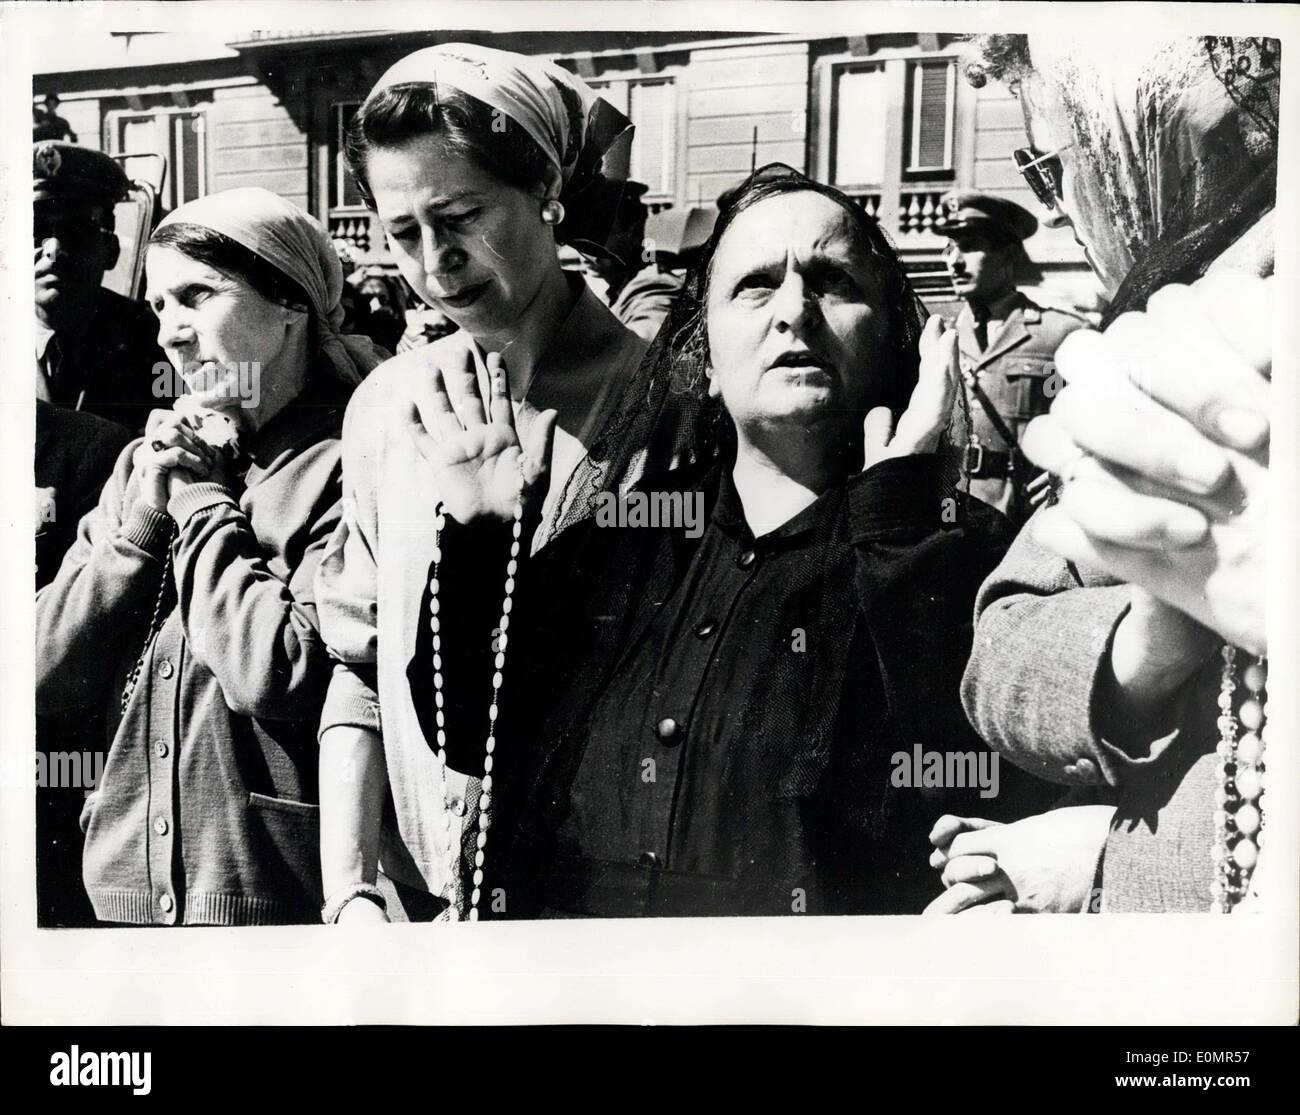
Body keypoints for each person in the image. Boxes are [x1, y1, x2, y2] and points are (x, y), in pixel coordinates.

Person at [405, 165, 1053, 919]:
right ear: (706, 358)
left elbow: (980, 781)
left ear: (890, 340)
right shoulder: (632, 531)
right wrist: (482, 546)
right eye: (755, 286)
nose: (794, 313)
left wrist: (900, 527)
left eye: (832, 280)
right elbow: (467, 732)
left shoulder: (958, 550)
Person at [314, 43, 705, 924]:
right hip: (415, 915)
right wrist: (350, 894)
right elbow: (361, 667)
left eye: (460, 216)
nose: (435, 263)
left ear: (546, 194)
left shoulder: (671, 404)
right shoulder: (386, 407)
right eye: (401, 233)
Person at [928, 33, 1276, 914]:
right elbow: (1005, 648)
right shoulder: (1149, 325)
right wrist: (1152, 629)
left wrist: (1115, 865)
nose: (1058, 208)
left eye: (1054, 166)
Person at [35, 187, 384, 926]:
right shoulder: (146, 463)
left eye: (197, 295)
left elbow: (281, 671)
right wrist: (140, 528)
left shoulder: (350, 461)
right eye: (159, 306)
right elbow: (36, 671)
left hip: (268, 895)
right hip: (121, 892)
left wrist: (198, 504)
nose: (172, 334)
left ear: (291, 304)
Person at [934, 190, 1088, 524]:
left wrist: (1070, 472)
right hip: (948, 516)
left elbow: (1090, 426)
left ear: (1009, 255)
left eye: (970, 246)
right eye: (950, 247)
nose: (955, 261)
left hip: (1020, 519)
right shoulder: (936, 335)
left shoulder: (1058, 334)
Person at [34, 142, 166, 432]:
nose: (53, 250)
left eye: (76, 233)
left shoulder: (158, 341)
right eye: (34, 233)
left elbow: (241, 390)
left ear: (111, 250)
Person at [585, 180, 683, 343]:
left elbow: (646, 341)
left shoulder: (653, 287)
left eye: (598, 235)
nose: (587, 249)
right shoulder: (613, 294)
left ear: (634, 234)